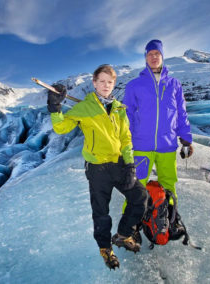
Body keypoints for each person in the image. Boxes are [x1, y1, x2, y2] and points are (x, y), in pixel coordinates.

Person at [47, 64, 148, 270]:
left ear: (114, 84)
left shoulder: (119, 108)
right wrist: (55, 108)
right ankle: (105, 248)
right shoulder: (85, 107)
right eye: (101, 81)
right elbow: (61, 127)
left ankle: (123, 234)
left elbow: (126, 139)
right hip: (97, 168)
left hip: (119, 164)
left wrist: (129, 165)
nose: (105, 85)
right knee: (101, 212)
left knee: (140, 198)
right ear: (94, 83)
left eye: (109, 82)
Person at [123, 39, 193, 205]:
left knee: (169, 185)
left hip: (167, 145)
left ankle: (169, 220)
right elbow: (128, 115)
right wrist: (125, 140)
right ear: (145, 58)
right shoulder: (134, 85)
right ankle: (131, 227)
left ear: (162, 56)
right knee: (136, 187)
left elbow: (181, 112)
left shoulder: (174, 84)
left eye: (157, 54)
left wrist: (186, 138)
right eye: (150, 54)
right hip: (141, 146)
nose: (154, 57)